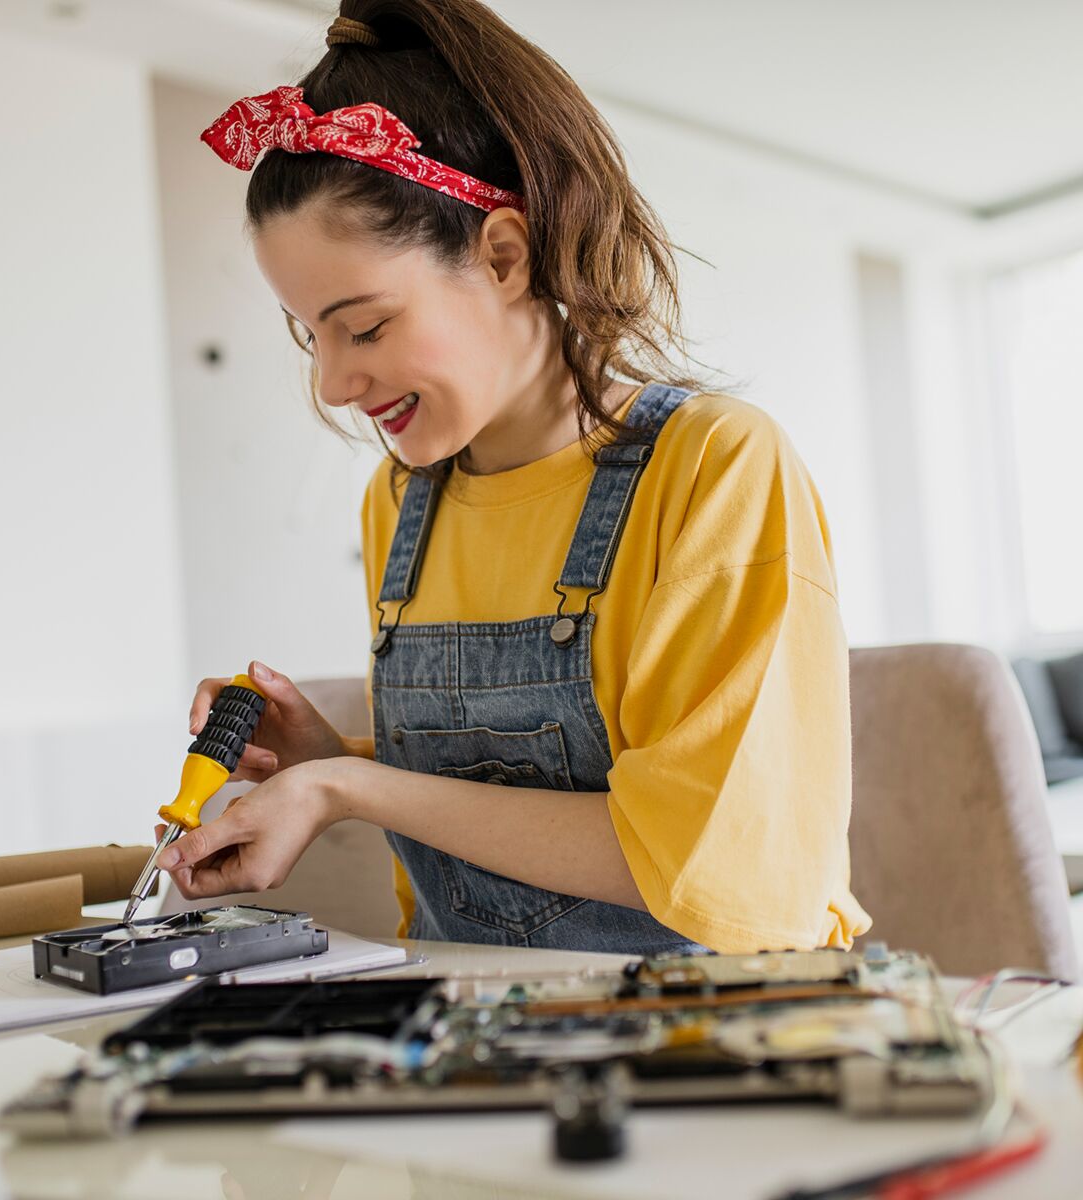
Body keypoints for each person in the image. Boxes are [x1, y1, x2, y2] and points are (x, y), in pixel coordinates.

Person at [157, 0, 872, 955]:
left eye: (364, 326)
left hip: (729, 1043)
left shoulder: (713, 467)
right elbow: (498, 794)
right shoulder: (404, 503)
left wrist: (349, 788)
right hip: (485, 1029)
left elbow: (712, 859)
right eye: (311, 333)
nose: (334, 383)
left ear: (503, 254)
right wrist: (324, 760)